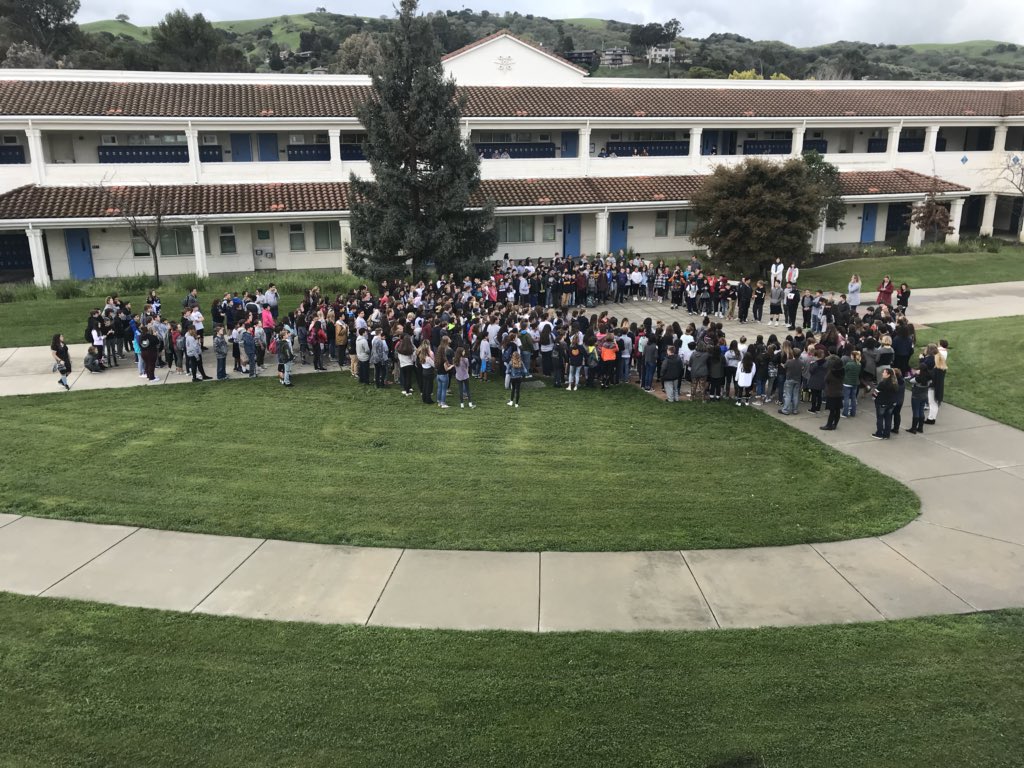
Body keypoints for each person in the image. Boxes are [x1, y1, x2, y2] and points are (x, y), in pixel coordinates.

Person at [872, 367, 898, 439]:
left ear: (888, 375)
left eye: (884, 372)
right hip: (891, 404)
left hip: (882, 403)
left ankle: (879, 433)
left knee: (880, 418)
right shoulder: (895, 383)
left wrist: (874, 398)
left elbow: (875, 393)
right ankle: (887, 434)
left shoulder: (883, 383)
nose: (883, 373)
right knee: (888, 418)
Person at [821, 355, 844, 430]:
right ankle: (835, 424)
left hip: (832, 393)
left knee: (832, 410)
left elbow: (825, 380)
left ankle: (829, 425)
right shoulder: (842, 371)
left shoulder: (831, 373)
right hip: (839, 392)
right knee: (837, 410)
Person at [906, 366, 931, 434]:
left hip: (916, 397)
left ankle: (913, 428)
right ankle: (920, 428)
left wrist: (915, 374)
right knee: (921, 411)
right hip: (924, 396)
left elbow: (910, 380)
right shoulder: (929, 378)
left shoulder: (918, 378)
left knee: (916, 411)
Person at [416, 340, 435, 405]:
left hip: (424, 371)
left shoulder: (421, 356)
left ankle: (424, 398)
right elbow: (434, 365)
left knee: (425, 386)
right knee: (429, 386)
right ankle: (428, 399)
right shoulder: (428, 358)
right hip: (429, 372)